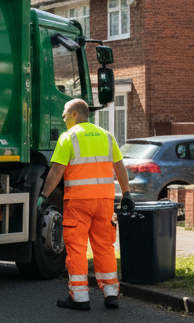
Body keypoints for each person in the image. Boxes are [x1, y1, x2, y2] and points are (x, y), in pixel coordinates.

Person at [37, 98, 134, 311]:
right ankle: (111, 295)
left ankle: (80, 297)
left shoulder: (68, 137)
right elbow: (120, 167)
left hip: (79, 202)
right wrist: (126, 194)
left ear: (75, 114)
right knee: (104, 246)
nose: (62, 117)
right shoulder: (107, 136)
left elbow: (56, 170)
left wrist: (44, 195)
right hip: (104, 201)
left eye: (64, 113)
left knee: (77, 248)